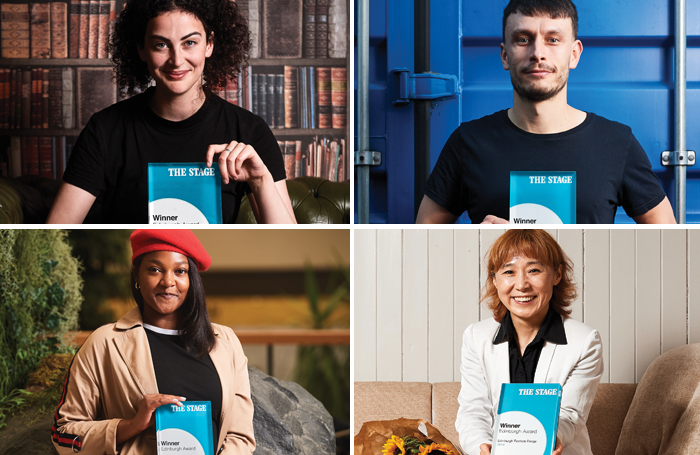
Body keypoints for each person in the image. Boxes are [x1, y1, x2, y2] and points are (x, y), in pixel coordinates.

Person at [416, 0, 675, 224]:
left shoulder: (617, 143)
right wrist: (477, 242)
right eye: (523, 39)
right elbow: (423, 245)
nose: (538, 53)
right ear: (505, 55)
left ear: (574, 54)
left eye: (553, 40)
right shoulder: (468, 142)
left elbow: (669, 246)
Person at [47, 0, 296, 224]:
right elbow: (54, 232)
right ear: (142, 49)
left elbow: (289, 247)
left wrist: (260, 179)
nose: (176, 60)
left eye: (190, 42)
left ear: (209, 44)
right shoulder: (104, 130)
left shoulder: (249, 131)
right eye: (161, 45)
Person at [51, 229, 255, 454]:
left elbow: (240, 436)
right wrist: (131, 425)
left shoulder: (226, 342)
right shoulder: (104, 343)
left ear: (191, 279)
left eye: (180, 271)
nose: (168, 281)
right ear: (137, 275)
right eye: (155, 270)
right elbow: (63, 434)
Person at [456, 229, 603, 455]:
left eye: (534, 270)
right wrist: (481, 447)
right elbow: (473, 411)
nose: (522, 284)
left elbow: (571, 415)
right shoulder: (476, 337)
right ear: (495, 279)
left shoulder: (585, 341)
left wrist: (552, 438)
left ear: (557, 275)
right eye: (509, 272)